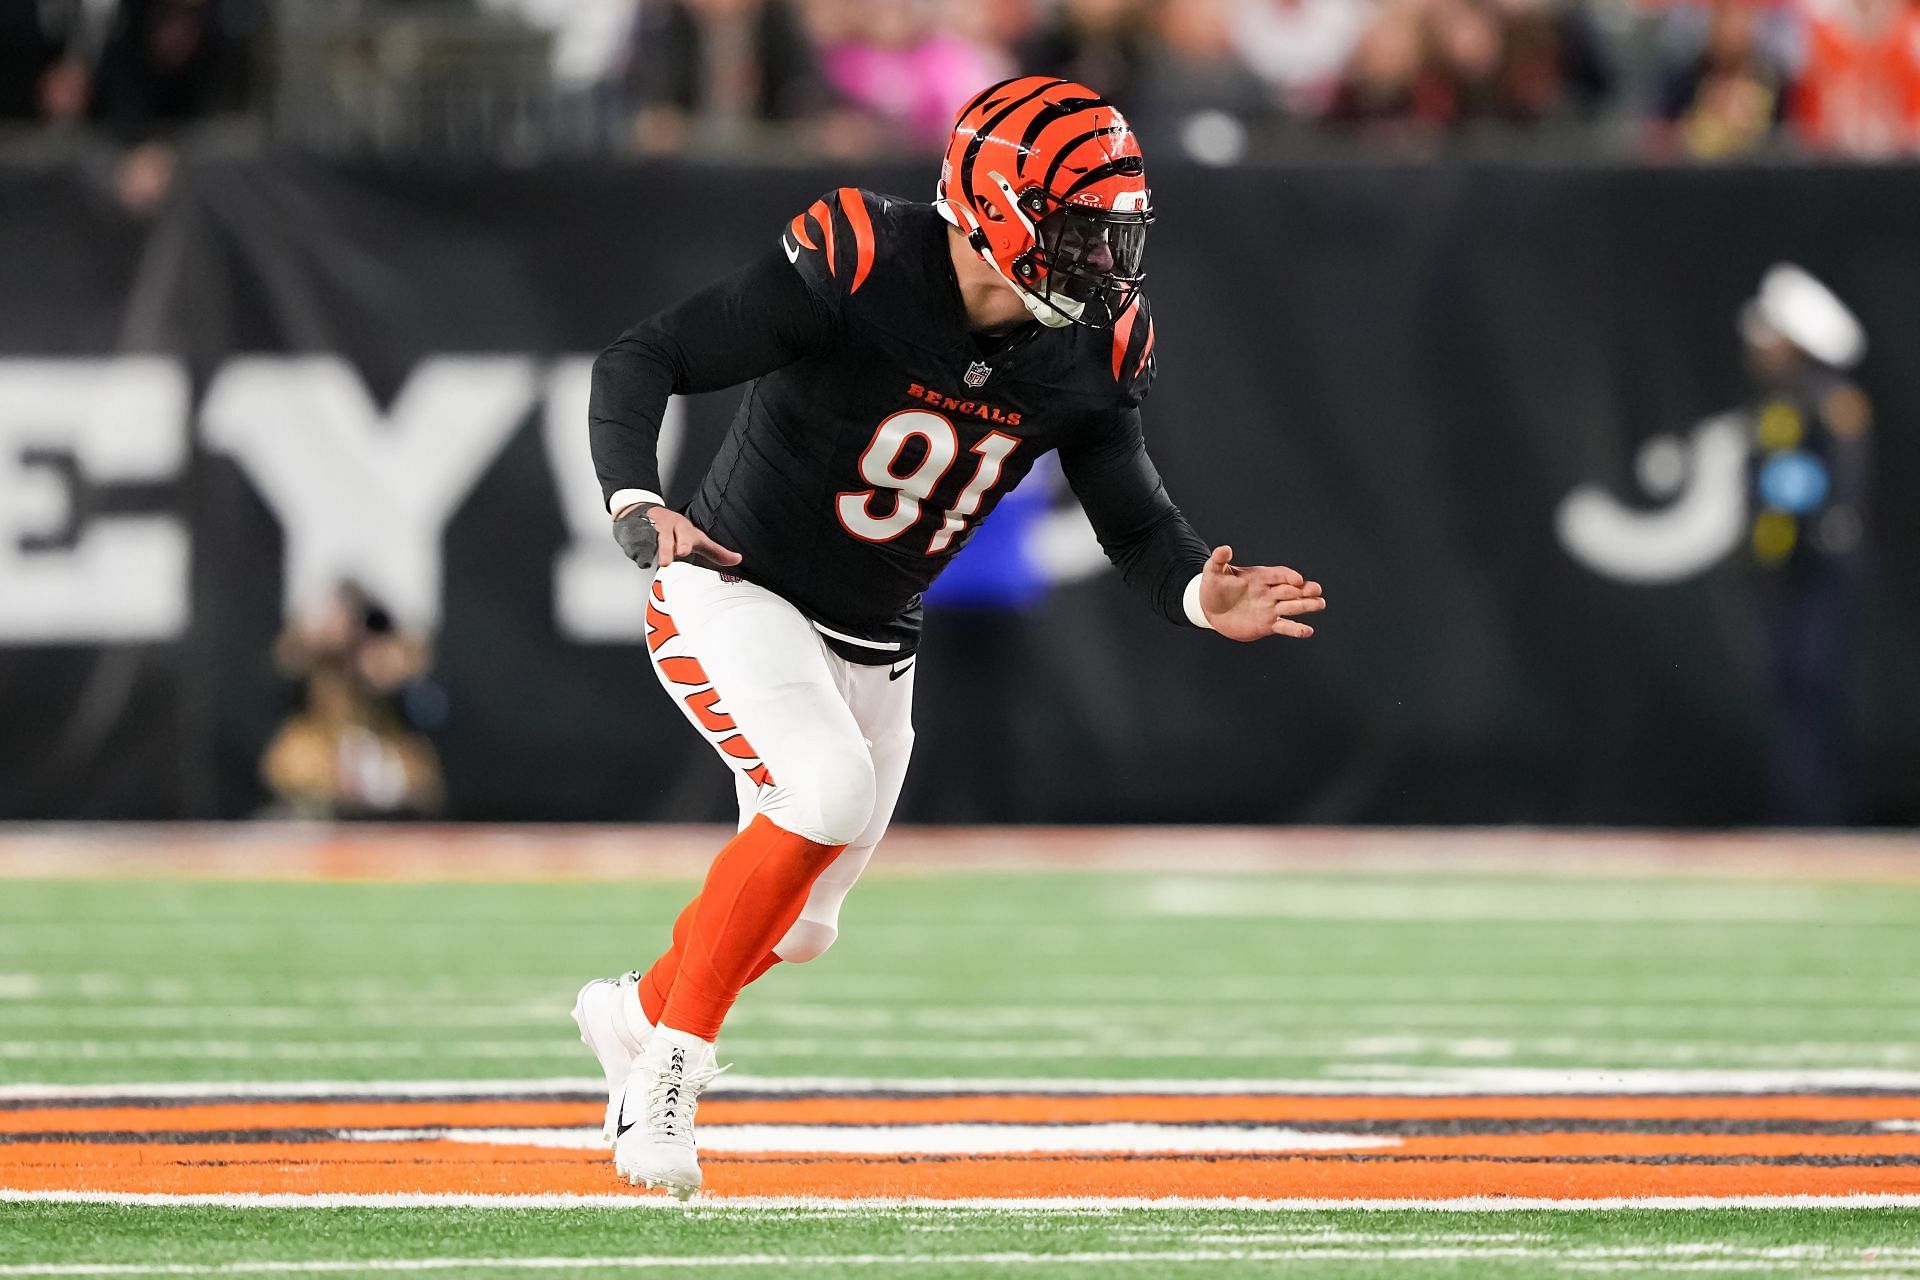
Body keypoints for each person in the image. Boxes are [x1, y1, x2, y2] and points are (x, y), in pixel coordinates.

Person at [576, 75, 1327, 1198]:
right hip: (736, 591)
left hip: (880, 634)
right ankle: (668, 1071)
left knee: (802, 925)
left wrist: (1195, 593)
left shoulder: (1095, 345)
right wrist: (636, 499)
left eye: (1113, 235)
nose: (1103, 263)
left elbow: (1132, 513)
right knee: (819, 794)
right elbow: (644, 356)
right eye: (1079, 230)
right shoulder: (862, 258)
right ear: (996, 204)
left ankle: (628, 1011)